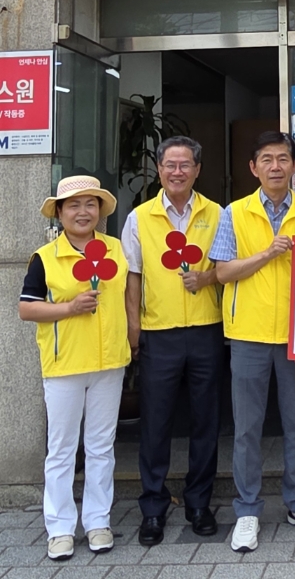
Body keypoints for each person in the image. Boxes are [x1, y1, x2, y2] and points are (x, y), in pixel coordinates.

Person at [211, 131, 295, 553]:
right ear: (253, 167)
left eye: (283, 158)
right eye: (267, 159)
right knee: (247, 428)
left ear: (294, 166)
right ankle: (247, 510)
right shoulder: (234, 213)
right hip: (248, 333)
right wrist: (267, 253)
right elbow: (222, 273)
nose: (276, 166)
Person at [19, 176, 130, 562]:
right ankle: (60, 528)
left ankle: (98, 521)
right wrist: (69, 308)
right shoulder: (45, 257)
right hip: (64, 364)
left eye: (90, 204)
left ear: (100, 210)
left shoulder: (115, 249)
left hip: (109, 362)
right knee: (62, 449)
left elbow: (127, 297)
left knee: (101, 448)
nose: (83, 212)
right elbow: (26, 308)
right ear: (60, 213)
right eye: (74, 205)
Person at [122, 136, 224, 546]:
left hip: (206, 329)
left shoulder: (217, 213)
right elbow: (133, 275)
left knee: (206, 421)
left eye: (185, 165)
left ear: (197, 170)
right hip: (158, 332)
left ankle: (199, 503)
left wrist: (206, 277)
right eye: (170, 165)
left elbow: (228, 267)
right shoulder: (139, 217)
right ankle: (153, 507)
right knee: (155, 423)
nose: (177, 172)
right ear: (159, 169)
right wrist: (133, 327)